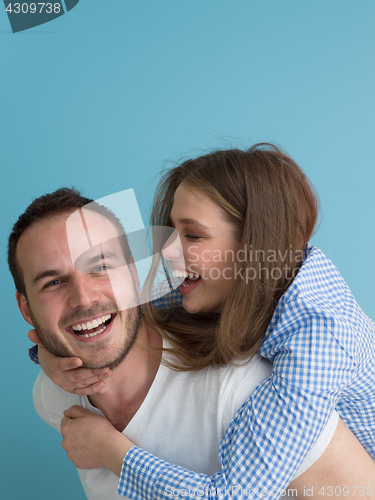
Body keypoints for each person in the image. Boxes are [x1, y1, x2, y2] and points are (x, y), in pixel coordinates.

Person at [28, 143, 375, 500]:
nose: (167, 250)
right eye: (172, 231)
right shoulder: (234, 281)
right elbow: (111, 309)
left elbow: (233, 496)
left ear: (254, 244)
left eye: (192, 235)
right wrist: (52, 354)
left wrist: (111, 451)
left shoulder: (319, 342)